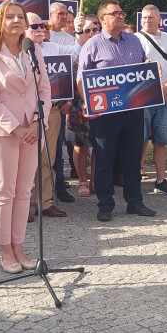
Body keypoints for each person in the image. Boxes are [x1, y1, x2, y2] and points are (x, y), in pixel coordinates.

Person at [0, 0, 49, 273]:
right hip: (2, 133)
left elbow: (44, 91)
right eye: (10, 17)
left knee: (24, 192)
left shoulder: (34, 50)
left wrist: (36, 123)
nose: (16, 21)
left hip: (32, 131)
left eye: (20, 17)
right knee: (4, 192)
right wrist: (15, 127)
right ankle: (5, 251)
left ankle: (19, 247)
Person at [77, 0, 155, 221]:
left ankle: (135, 201)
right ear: (102, 19)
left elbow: (143, 66)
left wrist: (151, 68)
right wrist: (87, 103)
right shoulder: (91, 45)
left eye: (122, 13)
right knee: (104, 158)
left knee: (132, 158)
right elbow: (81, 80)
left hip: (133, 109)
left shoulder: (134, 41)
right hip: (104, 114)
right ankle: (105, 204)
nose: (121, 17)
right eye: (115, 14)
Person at [26, 12, 79, 217]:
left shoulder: (53, 48)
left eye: (43, 26)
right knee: (23, 160)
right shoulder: (11, 51)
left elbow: (77, 52)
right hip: (23, 113)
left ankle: (45, 202)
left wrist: (80, 31)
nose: (41, 30)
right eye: (35, 26)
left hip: (52, 111)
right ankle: (21, 206)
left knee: (48, 158)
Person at [137, 5, 167, 195]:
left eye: (151, 17)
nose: (147, 20)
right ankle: (134, 179)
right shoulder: (135, 39)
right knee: (138, 140)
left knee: (161, 141)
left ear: (159, 20)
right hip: (143, 99)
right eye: (145, 17)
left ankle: (161, 180)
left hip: (165, 98)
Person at [68, 14, 100, 197]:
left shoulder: (106, 46)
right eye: (86, 30)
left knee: (98, 143)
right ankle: (82, 180)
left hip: (101, 100)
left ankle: (95, 180)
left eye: (94, 29)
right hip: (79, 102)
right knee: (80, 144)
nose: (91, 33)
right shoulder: (75, 51)